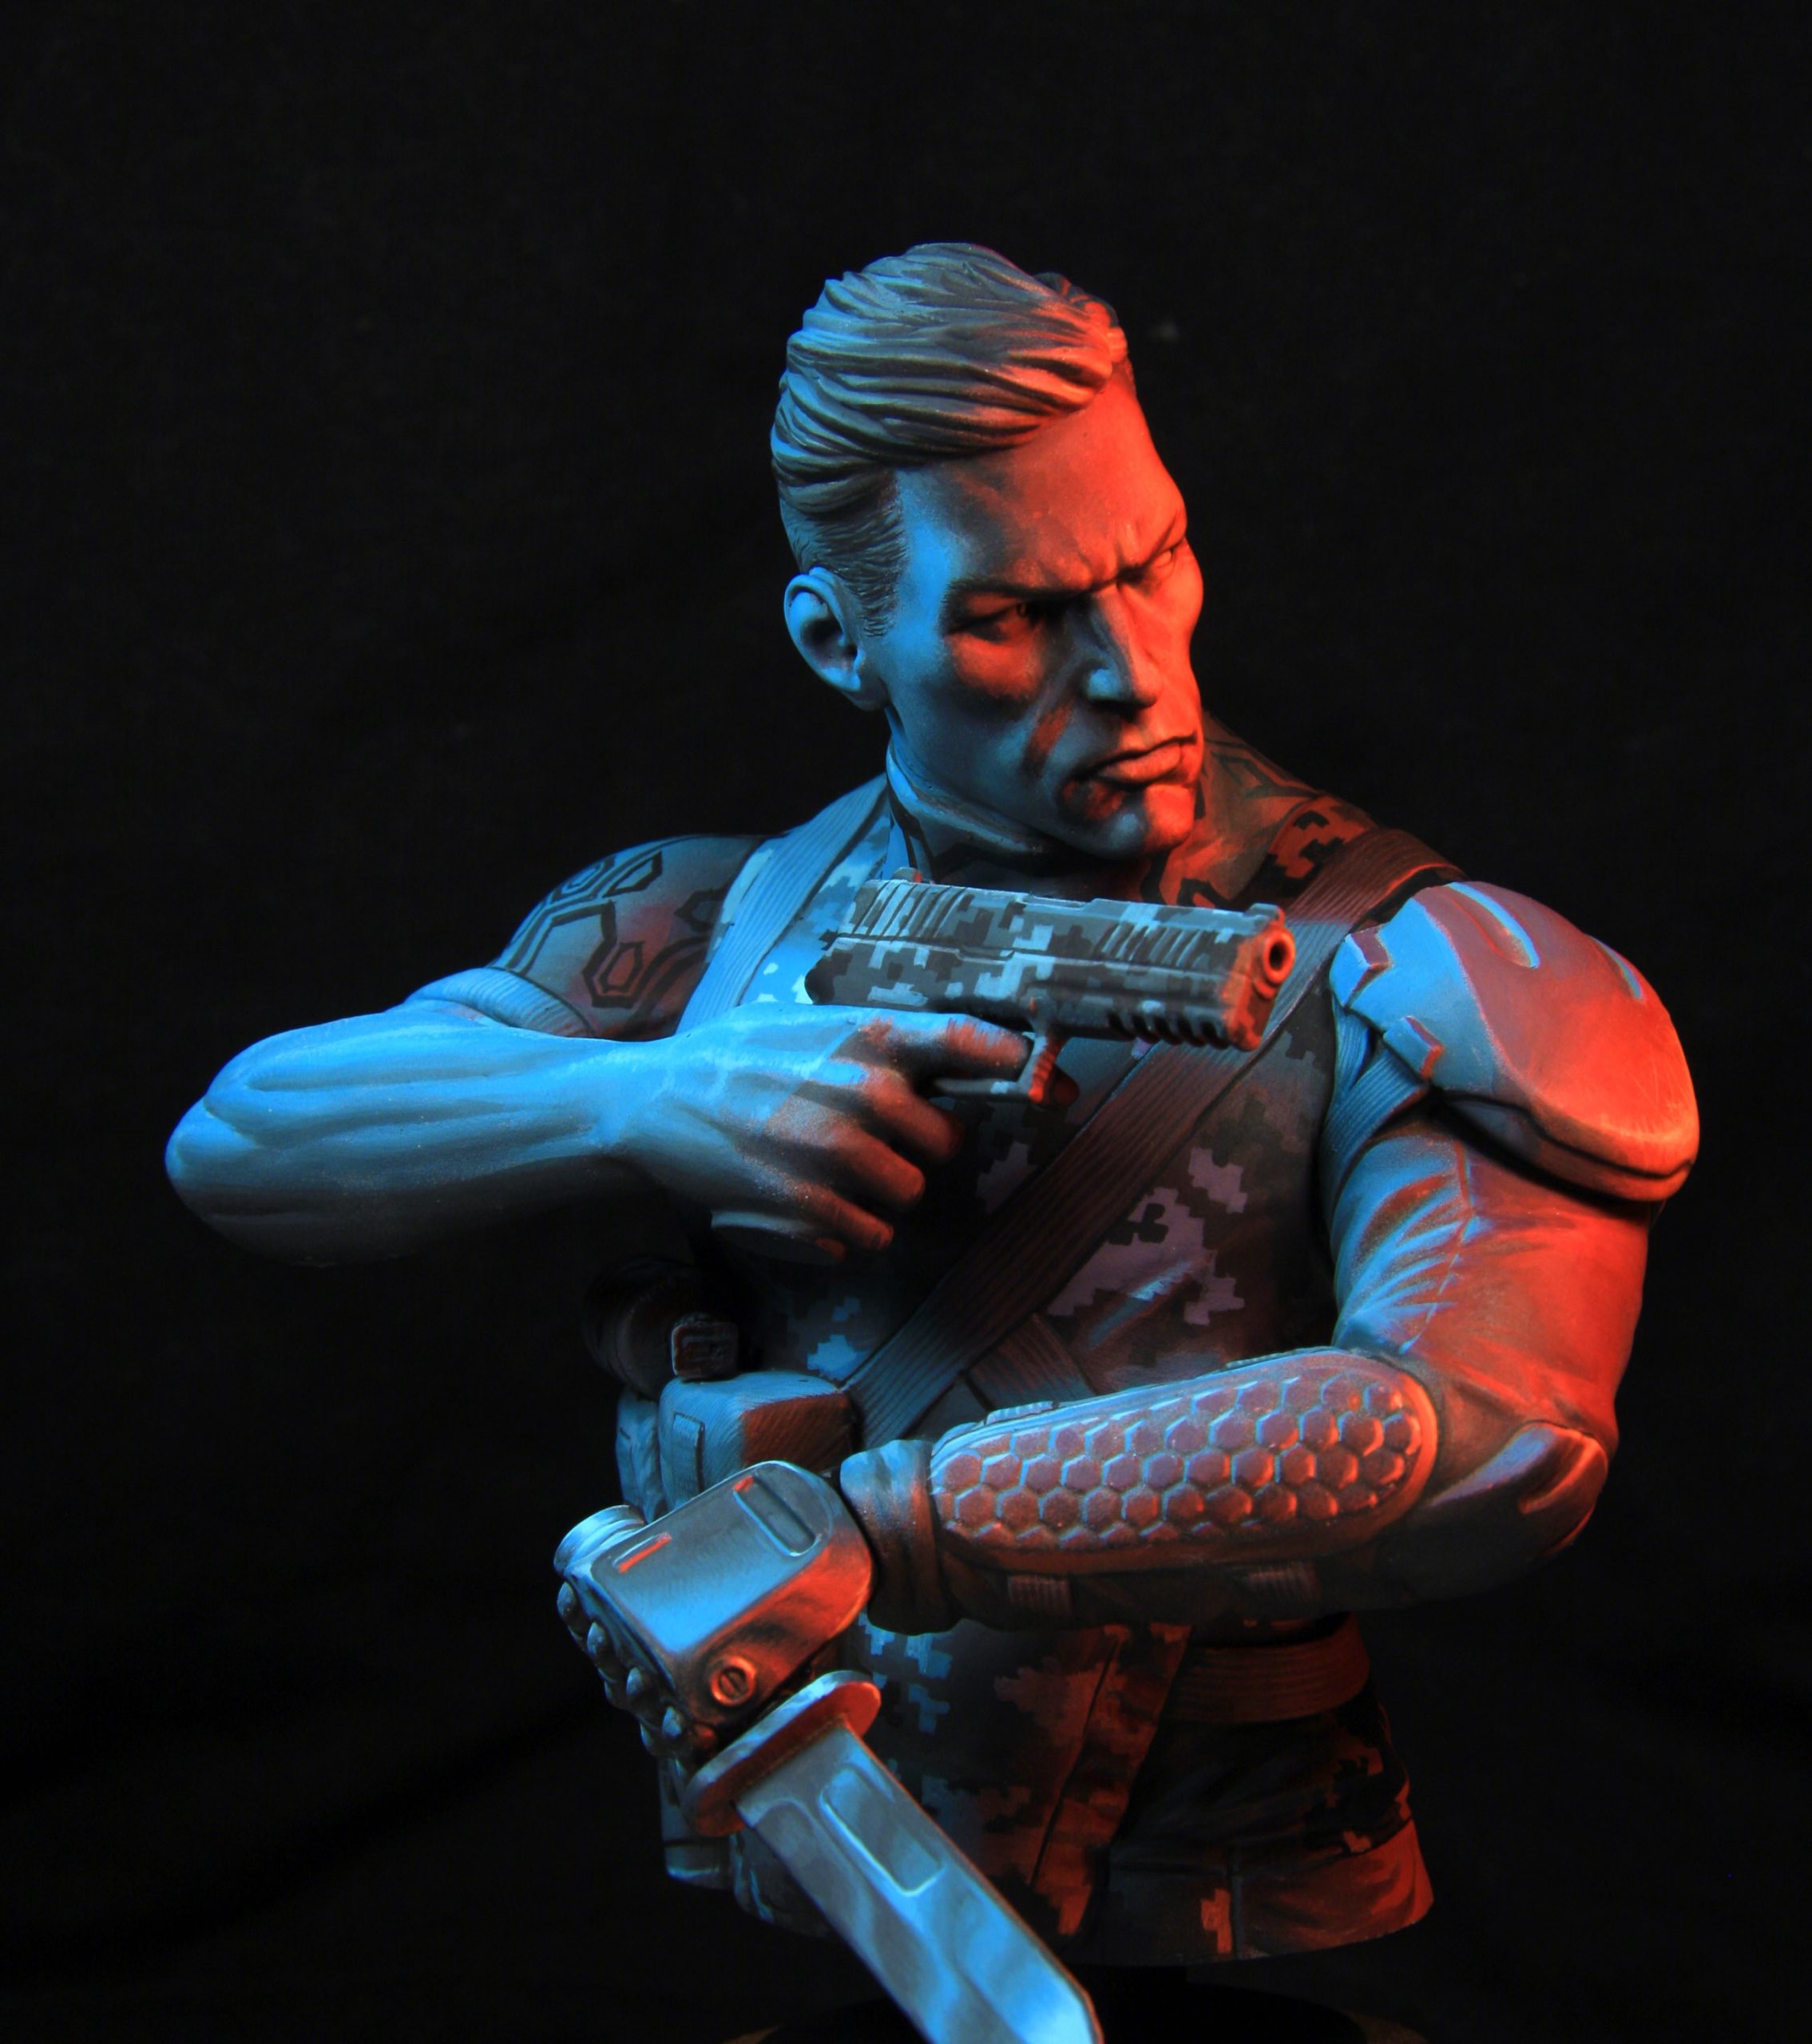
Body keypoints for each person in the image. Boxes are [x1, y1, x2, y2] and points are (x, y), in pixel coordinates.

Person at [167, 245, 1696, 2021]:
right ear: (841, 638)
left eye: (1153, 562)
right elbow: (244, 1142)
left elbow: (1494, 1440)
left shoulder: (1414, 967)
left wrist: (874, 1526)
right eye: (1017, 615)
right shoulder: (717, 922)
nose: (1132, 673)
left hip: (1204, 1838)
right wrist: (641, 1097)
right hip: (826, 1791)